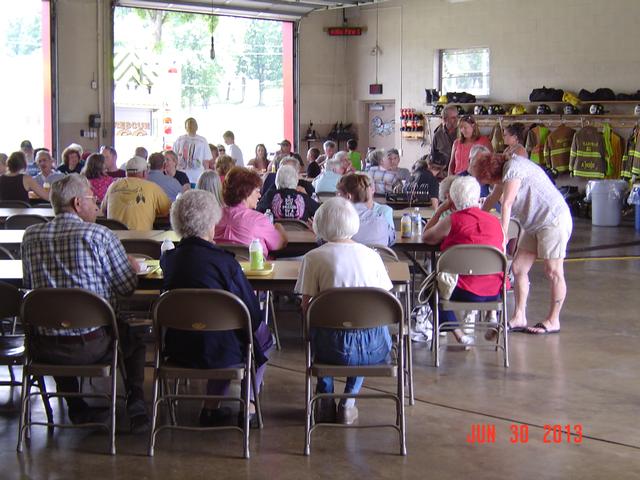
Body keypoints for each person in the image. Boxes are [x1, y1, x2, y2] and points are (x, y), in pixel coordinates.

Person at [20, 174, 149, 432]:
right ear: (78, 203)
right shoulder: (99, 235)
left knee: (56, 319)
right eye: (92, 198)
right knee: (134, 335)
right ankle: (136, 401)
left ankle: (76, 406)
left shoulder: (30, 236)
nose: (96, 203)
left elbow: (30, 285)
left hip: (43, 347)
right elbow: (126, 288)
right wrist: (131, 268)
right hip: (93, 344)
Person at [160, 190, 273, 427]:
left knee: (221, 329)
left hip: (178, 348)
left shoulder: (169, 260)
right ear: (212, 222)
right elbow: (250, 313)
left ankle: (210, 407)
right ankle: (249, 404)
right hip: (222, 350)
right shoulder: (225, 262)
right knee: (260, 336)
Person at [294, 197, 394, 425]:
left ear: (319, 224)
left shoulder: (313, 258)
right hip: (374, 347)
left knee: (320, 326)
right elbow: (386, 302)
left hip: (329, 347)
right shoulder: (372, 256)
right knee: (362, 321)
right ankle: (348, 402)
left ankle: (325, 394)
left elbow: (306, 308)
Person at [471, 152, 572, 335]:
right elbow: (492, 201)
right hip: (533, 223)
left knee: (553, 271)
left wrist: (501, 238)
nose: (485, 184)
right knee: (518, 268)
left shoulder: (513, 169)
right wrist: (475, 221)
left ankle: (553, 320)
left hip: (553, 219)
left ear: (489, 173)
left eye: (484, 180)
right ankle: (519, 317)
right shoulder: (503, 175)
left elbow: (507, 204)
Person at [422, 176, 505, 345]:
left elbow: (427, 237)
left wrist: (439, 210)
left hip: (463, 289)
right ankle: (492, 315)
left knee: (430, 290)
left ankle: (460, 335)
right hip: (495, 291)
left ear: (451, 199)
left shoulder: (452, 220)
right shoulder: (495, 221)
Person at [214, 167, 287, 256]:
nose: (259, 195)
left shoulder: (214, 217)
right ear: (246, 193)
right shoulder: (259, 220)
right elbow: (279, 244)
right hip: (253, 269)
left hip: (220, 268)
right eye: (257, 191)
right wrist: (279, 227)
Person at [101, 156, 171, 231]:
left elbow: (103, 210)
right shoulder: (152, 187)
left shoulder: (113, 186)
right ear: (144, 173)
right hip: (141, 240)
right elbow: (167, 210)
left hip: (114, 239)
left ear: (126, 172)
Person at [336, 173, 395, 247]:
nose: (337, 197)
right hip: (377, 258)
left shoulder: (336, 221)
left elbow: (323, 241)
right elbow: (391, 240)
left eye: (339, 194)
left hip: (346, 258)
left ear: (348, 196)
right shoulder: (382, 219)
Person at [173, 117, 213, 184]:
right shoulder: (202, 140)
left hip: (182, 175)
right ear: (197, 127)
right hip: (197, 176)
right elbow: (206, 161)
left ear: (185, 127)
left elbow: (174, 158)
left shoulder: (179, 139)